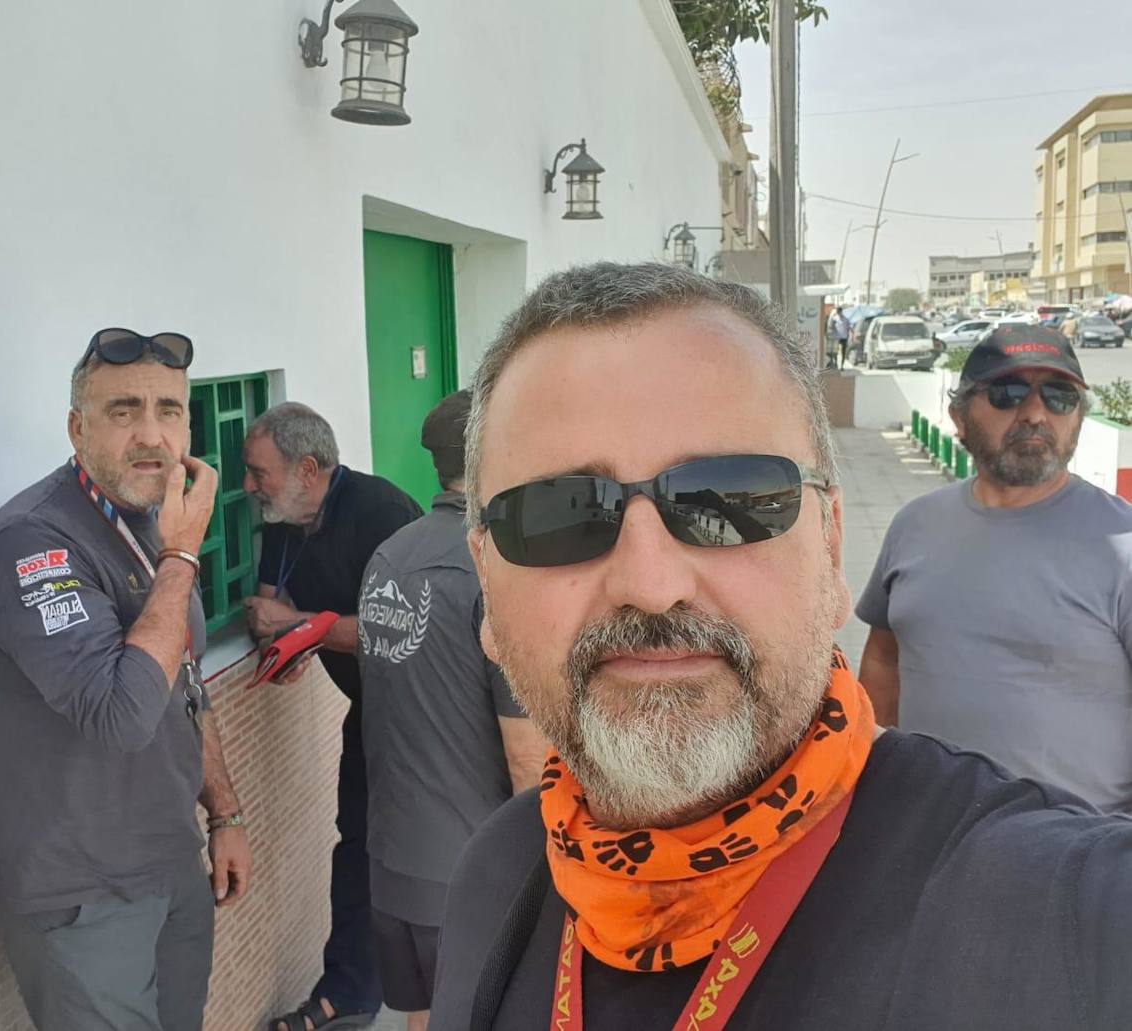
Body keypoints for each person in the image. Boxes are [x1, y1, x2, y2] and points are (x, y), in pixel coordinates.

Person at [429, 262, 1132, 1030]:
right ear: (487, 591)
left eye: (727, 497)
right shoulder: (495, 876)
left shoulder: (1053, 912)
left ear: (830, 551)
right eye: (559, 513)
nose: (650, 582)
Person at [0, 329, 251, 1031]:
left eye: (170, 410)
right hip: (80, 888)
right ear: (76, 427)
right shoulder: (31, 541)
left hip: (168, 858)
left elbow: (184, 682)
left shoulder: (154, 519)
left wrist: (226, 812)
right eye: (123, 411)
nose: (152, 434)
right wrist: (183, 556)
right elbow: (120, 714)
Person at [856, 325, 1132, 812]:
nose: (1034, 413)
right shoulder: (914, 526)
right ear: (958, 417)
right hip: (927, 834)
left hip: (1076, 858)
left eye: (1059, 396)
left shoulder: (1122, 546)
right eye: (1007, 394)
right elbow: (883, 657)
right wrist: (873, 775)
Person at [357, 391, 549, 1031]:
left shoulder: (388, 558)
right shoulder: (491, 572)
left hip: (396, 862)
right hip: (474, 872)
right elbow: (528, 758)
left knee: (427, 1015)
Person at [241, 403, 423, 1031]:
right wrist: (280, 640)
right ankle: (347, 995)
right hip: (368, 711)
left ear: (308, 468)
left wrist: (305, 628)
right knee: (357, 847)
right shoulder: (287, 518)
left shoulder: (383, 513)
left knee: (430, 850)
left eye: (257, 471)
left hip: (425, 717)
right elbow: (270, 603)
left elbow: (404, 631)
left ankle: (454, 992)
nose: (247, 486)